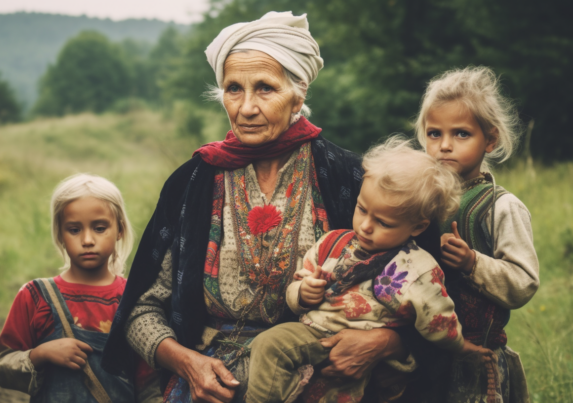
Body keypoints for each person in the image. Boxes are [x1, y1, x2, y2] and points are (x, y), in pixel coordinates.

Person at [103, 11, 432, 403]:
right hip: (208, 386)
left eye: (264, 88)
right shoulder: (194, 181)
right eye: (233, 89)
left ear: (300, 92)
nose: (245, 108)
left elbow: (423, 291)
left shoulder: (349, 179)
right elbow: (141, 309)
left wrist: (384, 342)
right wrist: (187, 363)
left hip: (321, 379)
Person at [246, 139, 496, 403]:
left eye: (383, 222)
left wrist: (459, 346)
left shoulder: (418, 270)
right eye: (362, 209)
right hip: (315, 334)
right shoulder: (333, 244)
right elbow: (298, 284)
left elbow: (438, 320)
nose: (365, 226)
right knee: (269, 344)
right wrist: (302, 294)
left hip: (369, 350)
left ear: (418, 227)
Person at [415, 66, 540, 402]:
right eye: (434, 134)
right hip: (420, 355)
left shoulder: (502, 207)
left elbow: (523, 282)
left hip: (477, 357)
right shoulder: (418, 201)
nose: (444, 146)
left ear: (491, 139)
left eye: (461, 134)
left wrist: (473, 263)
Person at [0, 174, 160, 402]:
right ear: (60, 234)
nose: (88, 240)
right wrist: (40, 354)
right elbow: (3, 369)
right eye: (74, 230)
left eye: (100, 228)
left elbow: (149, 383)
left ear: (119, 230)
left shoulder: (133, 299)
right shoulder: (35, 296)